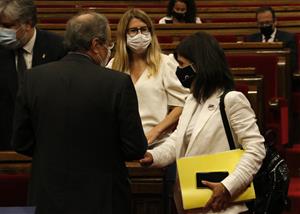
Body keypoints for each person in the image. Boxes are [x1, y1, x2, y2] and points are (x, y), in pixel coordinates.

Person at [11, 11, 147, 214]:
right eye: (107, 44)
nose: (109, 49)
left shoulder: (33, 79)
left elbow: (20, 142)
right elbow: (134, 148)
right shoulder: (117, 83)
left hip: (49, 196)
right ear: (95, 44)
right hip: (102, 199)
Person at [140, 32, 266, 214]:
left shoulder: (231, 100)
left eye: (183, 64)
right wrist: (152, 156)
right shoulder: (192, 100)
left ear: (200, 65)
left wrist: (227, 186)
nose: (179, 71)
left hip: (226, 205)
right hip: (193, 202)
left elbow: (256, 148)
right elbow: (178, 141)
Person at [107, 8, 189, 148]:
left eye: (144, 29)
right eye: (133, 30)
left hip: (157, 143)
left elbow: (181, 105)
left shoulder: (165, 62)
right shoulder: (113, 65)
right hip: (121, 145)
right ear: (123, 35)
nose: (140, 35)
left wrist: (155, 132)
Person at [0, 0, 66, 150]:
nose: (1, 31)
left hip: (48, 142)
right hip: (5, 142)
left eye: (7, 26)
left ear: (28, 24)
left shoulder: (58, 48)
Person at [247, 6, 297, 72]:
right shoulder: (251, 40)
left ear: (275, 21)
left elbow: (292, 65)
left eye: (267, 22)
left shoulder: (288, 38)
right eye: (261, 23)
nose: (265, 26)